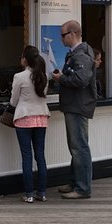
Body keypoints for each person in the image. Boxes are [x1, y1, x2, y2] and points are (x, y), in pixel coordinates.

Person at [52, 20, 97, 200]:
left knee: (79, 147)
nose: (61, 39)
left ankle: (83, 188)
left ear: (72, 34)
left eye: (63, 35)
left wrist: (61, 79)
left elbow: (81, 80)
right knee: (76, 146)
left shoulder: (81, 56)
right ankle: (75, 182)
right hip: (74, 105)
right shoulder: (76, 54)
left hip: (78, 106)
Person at [10, 45, 50, 203]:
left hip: (24, 118)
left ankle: (29, 194)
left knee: (27, 157)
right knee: (40, 156)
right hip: (41, 117)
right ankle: (42, 193)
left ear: (25, 59)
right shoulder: (44, 75)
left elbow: (13, 101)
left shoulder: (19, 77)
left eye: (21, 56)